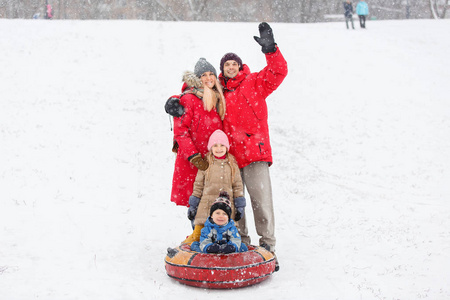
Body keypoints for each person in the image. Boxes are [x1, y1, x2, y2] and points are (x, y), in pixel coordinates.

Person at [218, 22, 287, 270]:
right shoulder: (217, 93)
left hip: (255, 154)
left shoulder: (255, 82)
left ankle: (267, 247)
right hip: (230, 159)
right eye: (227, 65)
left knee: (261, 203)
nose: (231, 68)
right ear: (222, 70)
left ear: (240, 66)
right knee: (236, 205)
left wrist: (271, 49)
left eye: (235, 64)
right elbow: (193, 97)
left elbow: (278, 72)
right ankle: (241, 246)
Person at [165, 58, 226, 212]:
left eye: (211, 74)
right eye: (203, 75)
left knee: (212, 204)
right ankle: (198, 235)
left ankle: (204, 235)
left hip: (213, 159)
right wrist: (194, 157)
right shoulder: (188, 99)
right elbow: (181, 132)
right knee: (196, 202)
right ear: (197, 79)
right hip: (193, 161)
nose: (208, 78)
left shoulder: (218, 99)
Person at [184, 129, 246, 244]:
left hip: (226, 211)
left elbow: (238, 186)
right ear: (210, 148)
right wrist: (193, 205)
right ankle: (184, 251)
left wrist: (240, 206)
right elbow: (198, 185)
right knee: (199, 235)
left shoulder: (232, 165)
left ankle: (226, 255)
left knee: (226, 236)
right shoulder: (206, 164)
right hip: (206, 209)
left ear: (227, 147)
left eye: (222, 145)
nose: (218, 149)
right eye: (215, 145)